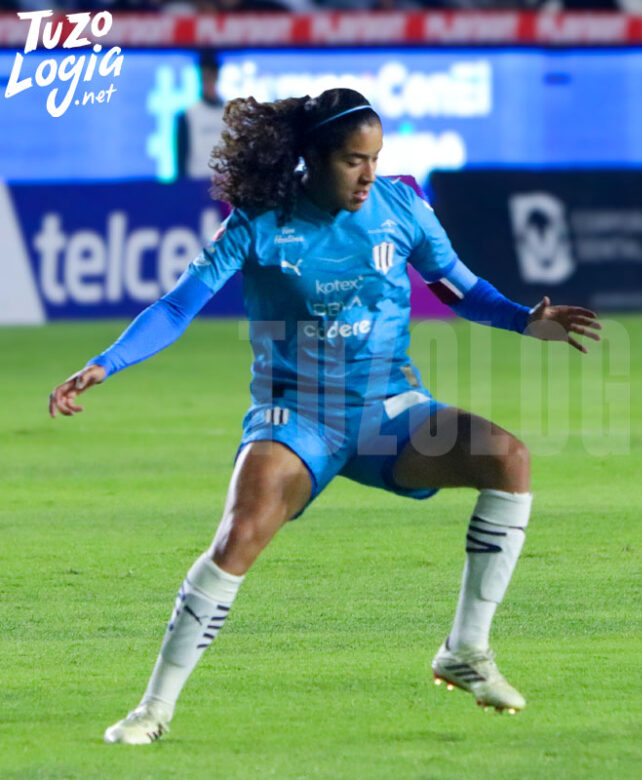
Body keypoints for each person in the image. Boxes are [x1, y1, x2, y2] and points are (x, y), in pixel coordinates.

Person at [49, 88, 601, 744]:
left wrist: (522, 320)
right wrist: (106, 363)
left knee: (507, 458)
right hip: (295, 419)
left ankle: (465, 651)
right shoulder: (258, 222)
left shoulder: (402, 207)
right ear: (311, 158)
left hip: (389, 413)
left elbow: (460, 288)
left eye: (375, 158)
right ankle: (153, 710)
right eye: (352, 160)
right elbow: (175, 308)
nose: (368, 174)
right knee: (239, 535)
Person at [176, 50, 226, 181]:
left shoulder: (230, 115)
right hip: (197, 184)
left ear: (217, 76)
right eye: (205, 76)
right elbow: (181, 159)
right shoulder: (189, 115)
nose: (208, 81)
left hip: (225, 186)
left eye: (211, 75)